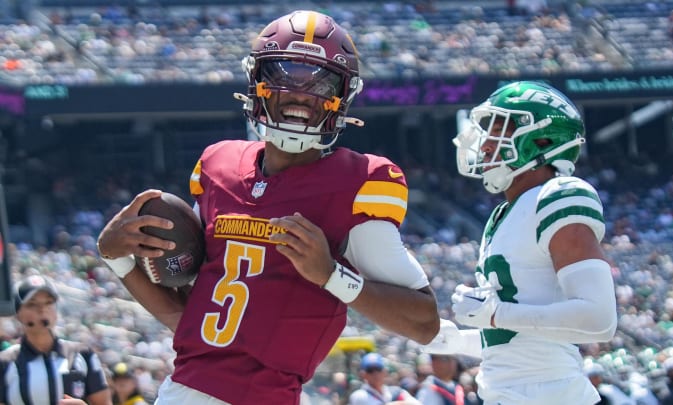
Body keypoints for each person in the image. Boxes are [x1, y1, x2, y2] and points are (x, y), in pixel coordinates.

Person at [96, 9, 440, 405]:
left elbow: (424, 321)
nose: (302, 94)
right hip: (179, 389)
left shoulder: (359, 181)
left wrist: (330, 275)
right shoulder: (217, 166)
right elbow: (192, 320)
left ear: (342, 97)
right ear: (256, 82)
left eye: (322, 82)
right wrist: (116, 259)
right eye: (284, 74)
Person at [423, 81, 618, 404]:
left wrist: (496, 314)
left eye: (498, 129)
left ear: (540, 139)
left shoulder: (558, 195)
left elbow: (599, 320)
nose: (485, 144)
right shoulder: (503, 214)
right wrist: (459, 340)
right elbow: (521, 342)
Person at [0, 275, 112, 405]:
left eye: (49, 302)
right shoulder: (5, 362)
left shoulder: (82, 354)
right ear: (18, 313)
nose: (42, 309)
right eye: (32, 304)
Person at [348, 353, 419, 405]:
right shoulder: (359, 396)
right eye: (370, 370)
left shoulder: (395, 391)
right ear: (363, 375)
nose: (375, 374)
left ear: (384, 372)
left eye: (378, 369)